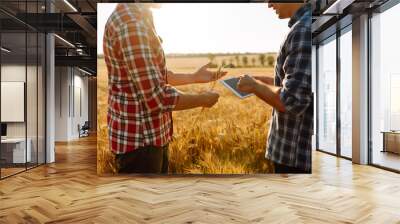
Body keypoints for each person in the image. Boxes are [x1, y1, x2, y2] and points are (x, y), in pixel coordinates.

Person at [103, 3, 226, 174]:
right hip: (141, 144)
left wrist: (194, 77)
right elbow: (155, 98)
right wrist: (203, 99)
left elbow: (153, 75)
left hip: (150, 139)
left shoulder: (140, 17)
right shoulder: (131, 25)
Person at [237, 2, 312, 173]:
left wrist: (255, 86)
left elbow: (291, 101)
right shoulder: (303, 26)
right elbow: (294, 85)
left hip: (294, 159)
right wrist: (259, 81)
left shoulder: (302, 30)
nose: (269, 4)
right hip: (293, 156)